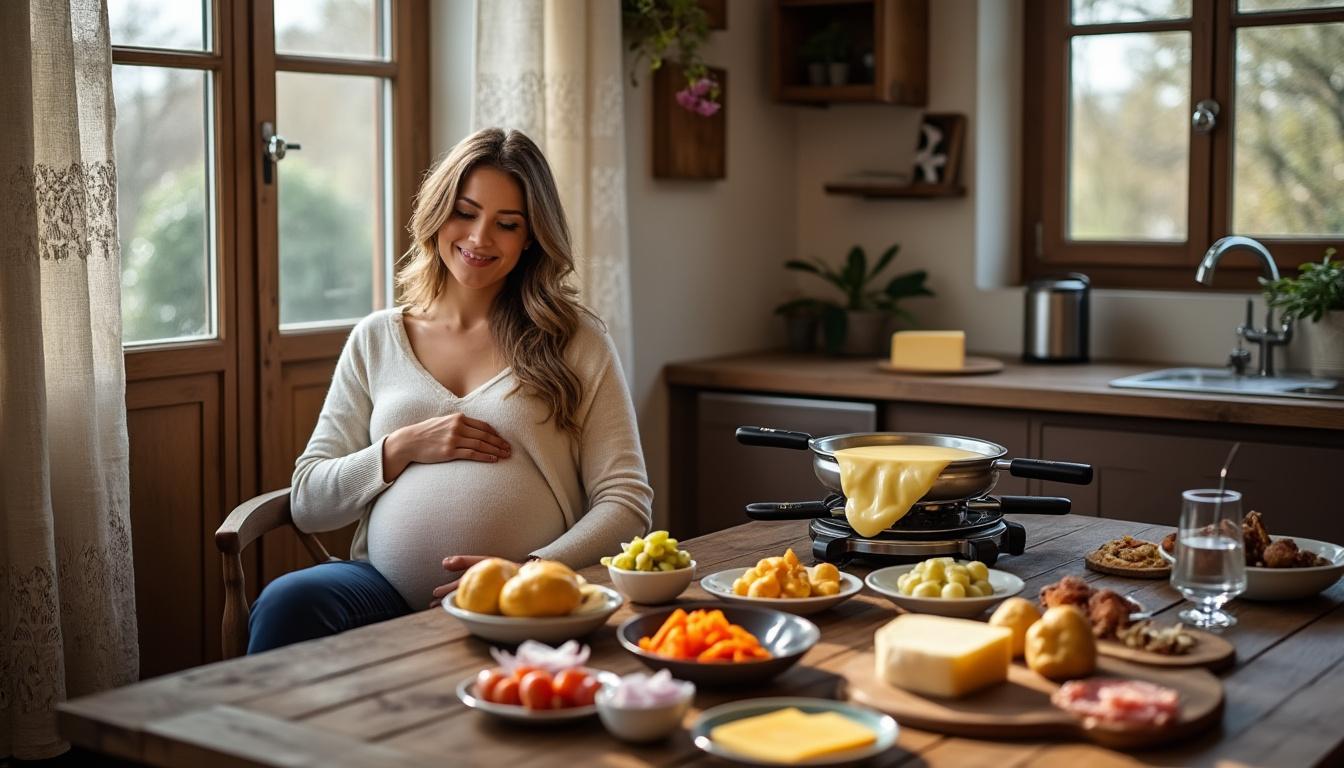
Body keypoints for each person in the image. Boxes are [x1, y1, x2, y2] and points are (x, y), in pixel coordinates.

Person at [247, 128, 653, 653]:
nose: (481, 238)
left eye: (507, 224)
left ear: (530, 238)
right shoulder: (377, 339)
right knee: (288, 603)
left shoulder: (574, 341)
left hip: (523, 599)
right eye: (465, 212)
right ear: (437, 212)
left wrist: (528, 573)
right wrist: (401, 448)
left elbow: (627, 503)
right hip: (383, 591)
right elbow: (308, 501)